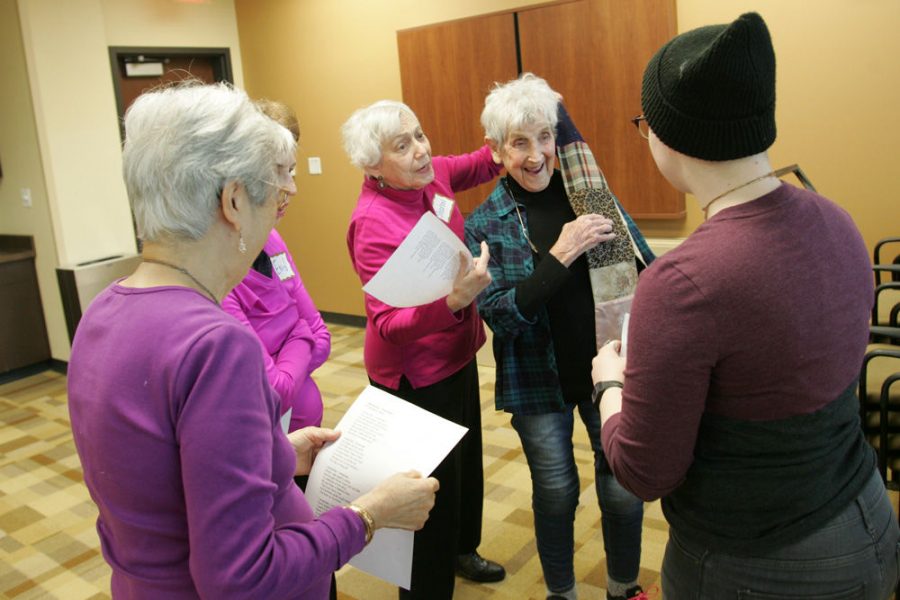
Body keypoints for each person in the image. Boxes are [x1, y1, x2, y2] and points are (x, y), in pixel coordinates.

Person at [66, 81, 438, 600]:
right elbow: (241, 578)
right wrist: (369, 515)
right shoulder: (216, 346)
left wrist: (274, 453)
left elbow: (158, 479)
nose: (285, 198)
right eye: (274, 187)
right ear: (234, 200)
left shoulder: (104, 310)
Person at [592, 12, 900, 598]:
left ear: (666, 135)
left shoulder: (684, 281)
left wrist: (610, 385)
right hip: (869, 518)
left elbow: (645, 471)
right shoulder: (837, 219)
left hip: (759, 563)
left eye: (644, 123)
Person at [465, 74, 654, 600]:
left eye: (544, 138)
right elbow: (499, 314)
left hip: (608, 368)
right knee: (555, 492)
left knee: (621, 488)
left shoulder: (591, 194)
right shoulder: (483, 223)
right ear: (497, 151)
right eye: (519, 143)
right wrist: (561, 255)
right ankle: (562, 593)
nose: (535, 155)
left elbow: (647, 266)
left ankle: (622, 587)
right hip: (536, 382)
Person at [342, 100, 505, 599]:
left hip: (456, 355)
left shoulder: (430, 177)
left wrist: (514, 130)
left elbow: (482, 160)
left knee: (465, 467)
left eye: (419, 135)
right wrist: (454, 301)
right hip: (414, 378)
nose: (421, 150)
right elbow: (388, 324)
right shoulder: (370, 221)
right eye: (402, 145)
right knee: (427, 497)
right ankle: (427, 589)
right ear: (373, 165)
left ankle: (462, 550)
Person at [223, 100, 331, 443]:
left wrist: (283, 357)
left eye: (293, 172)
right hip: (265, 443)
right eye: (278, 174)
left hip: (302, 439)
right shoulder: (219, 271)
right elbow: (275, 390)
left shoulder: (271, 238)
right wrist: (298, 336)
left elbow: (323, 337)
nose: (291, 189)